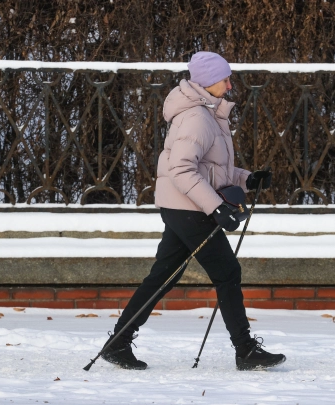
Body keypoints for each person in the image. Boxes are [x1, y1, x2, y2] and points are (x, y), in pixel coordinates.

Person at [100, 51, 286, 371]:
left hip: (181, 206)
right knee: (227, 272)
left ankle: (117, 344)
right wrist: (216, 208)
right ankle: (245, 350)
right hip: (190, 207)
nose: (230, 85)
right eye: (225, 79)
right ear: (208, 81)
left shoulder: (208, 113)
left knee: (162, 276)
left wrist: (248, 178)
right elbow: (182, 170)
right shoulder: (197, 117)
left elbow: (211, 168)